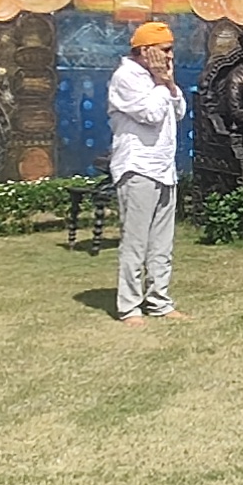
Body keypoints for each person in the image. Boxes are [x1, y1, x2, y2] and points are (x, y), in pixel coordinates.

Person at [107, 20, 187, 322]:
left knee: (162, 244)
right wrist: (161, 82)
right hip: (138, 168)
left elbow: (179, 111)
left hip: (164, 168)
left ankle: (159, 302)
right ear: (144, 51)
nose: (170, 56)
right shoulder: (125, 77)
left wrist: (168, 83)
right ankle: (129, 306)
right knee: (135, 242)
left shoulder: (160, 78)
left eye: (171, 50)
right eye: (164, 50)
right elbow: (152, 114)